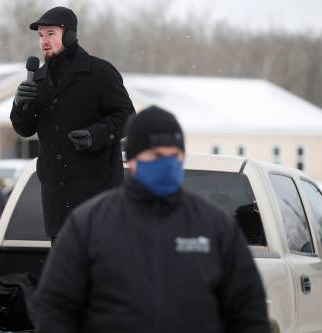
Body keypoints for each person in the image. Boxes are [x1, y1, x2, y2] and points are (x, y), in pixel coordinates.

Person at [34, 106, 269, 332]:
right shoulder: (91, 223)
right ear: (133, 160)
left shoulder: (214, 225)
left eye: (174, 155)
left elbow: (248, 309)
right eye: (156, 155)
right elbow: (56, 305)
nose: (167, 163)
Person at [10, 6, 135, 241]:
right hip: (56, 196)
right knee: (65, 268)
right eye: (40, 36)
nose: (44, 42)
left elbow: (127, 116)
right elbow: (24, 129)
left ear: (69, 35)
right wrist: (20, 104)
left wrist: (95, 135)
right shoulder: (38, 78)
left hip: (98, 192)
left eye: (51, 34)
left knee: (98, 267)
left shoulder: (99, 72)